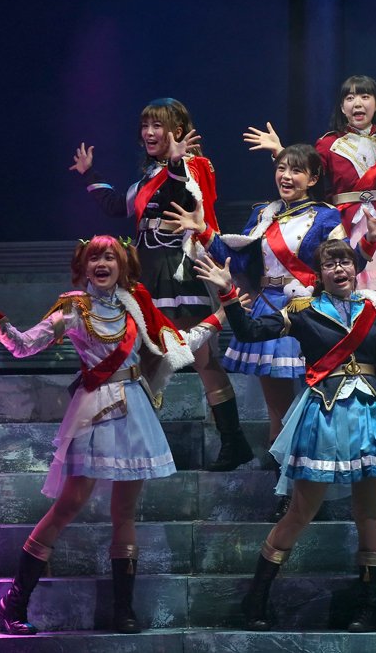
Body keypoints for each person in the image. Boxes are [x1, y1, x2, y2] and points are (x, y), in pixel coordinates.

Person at [0, 235, 224, 635]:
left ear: (123, 266)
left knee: (125, 514)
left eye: (110, 256)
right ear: (83, 266)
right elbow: (23, 347)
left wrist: (221, 314)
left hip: (134, 411)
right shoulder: (73, 307)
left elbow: (177, 345)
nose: (102, 262)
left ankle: (122, 610)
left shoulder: (135, 305)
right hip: (94, 412)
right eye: (95, 256)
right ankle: (13, 603)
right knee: (69, 504)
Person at [193, 239, 376, 632]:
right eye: (330, 264)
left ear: (356, 268)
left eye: (345, 261)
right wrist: (228, 293)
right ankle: (255, 599)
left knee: (368, 515)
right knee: (300, 512)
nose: (339, 269)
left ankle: (367, 608)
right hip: (324, 414)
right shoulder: (303, 310)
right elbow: (248, 331)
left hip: (370, 415)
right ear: (319, 274)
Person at [160, 143, 376, 519]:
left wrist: (368, 241)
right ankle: (287, 494)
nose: (286, 176)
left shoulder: (326, 215)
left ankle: (356, 490)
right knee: (279, 414)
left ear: (314, 178)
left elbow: (341, 262)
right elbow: (238, 260)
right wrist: (203, 230)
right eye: (282, 169)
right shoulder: (263, 214)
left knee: (331, 407)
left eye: (296, 170)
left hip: (314, 314)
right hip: (270, 310)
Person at [70, 97, 253, 472]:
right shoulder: (147, 177)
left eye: (158, 125)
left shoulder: (194, 166)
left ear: (178, 131)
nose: (149, 132)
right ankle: (135, 440)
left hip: (177, 269)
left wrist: (176, 162)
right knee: (144, 357)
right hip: (146, 272)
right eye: (145, 126)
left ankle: (233, 441)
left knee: (201, 356)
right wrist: (89, 174)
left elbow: (185, 195)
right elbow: (117, 206)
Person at [243, 75, 376, 298]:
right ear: (342, 108)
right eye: (350, 98)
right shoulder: (328, 143)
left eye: (365, 96)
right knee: (347, 292)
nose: (357, 103)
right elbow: (308, 172)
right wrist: (280, 152)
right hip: (346, 224)